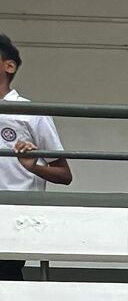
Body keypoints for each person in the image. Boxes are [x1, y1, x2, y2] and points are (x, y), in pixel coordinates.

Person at [0, 38, 70, 192]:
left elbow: (64, 175)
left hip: (20, 204)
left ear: (9, 66)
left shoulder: (31, 113)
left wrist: (33, 167)